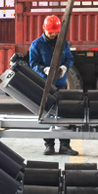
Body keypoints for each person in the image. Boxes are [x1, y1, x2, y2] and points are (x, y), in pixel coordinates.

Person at [29, 14, 79, 156]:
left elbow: (69, 58)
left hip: (60, 83)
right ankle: (49, 145)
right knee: (47, 114)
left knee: (63, 113)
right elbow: (33, 63)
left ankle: (65, 145)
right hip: (44, 84)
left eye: (55, 32)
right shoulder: (37, 44)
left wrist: (64, 68)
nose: (52, 34)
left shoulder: (63, 43)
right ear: (44, 29)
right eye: (50, 32)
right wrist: (44, 69)